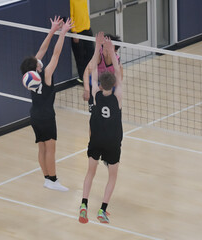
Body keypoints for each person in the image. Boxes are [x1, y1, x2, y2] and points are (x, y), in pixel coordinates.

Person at [20, 16, 73, 192]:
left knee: (42, 147)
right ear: (37, 68)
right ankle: (53, 180)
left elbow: (42, 51)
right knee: (50, 149)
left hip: (34, 114)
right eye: (38, 63)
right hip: (47, 116)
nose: (40, 61)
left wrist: (52, 30)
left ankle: (46, 178)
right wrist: (62, 33)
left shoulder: (29, 76)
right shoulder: (46, 74)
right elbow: (56, 53)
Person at [79, 32, 123, 224]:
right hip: (112, 142)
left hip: (95, 139)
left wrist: (98, 46)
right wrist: (110, 50)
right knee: (112, 176)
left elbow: (92, 73)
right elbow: (119, 74)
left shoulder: (96, 94)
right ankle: (102, 210)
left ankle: (83, 205)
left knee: (90, 172)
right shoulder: (118, 97)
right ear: (114, 84)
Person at [83, 34, 123, 112]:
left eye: (109, 48)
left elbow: (119, 81)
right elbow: (86, 72)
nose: (105, 51)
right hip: (95, 81)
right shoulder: (99, 56)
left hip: (109, 84)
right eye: (104, 48)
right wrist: (87, 90)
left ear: (115, 51)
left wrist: (105, 86)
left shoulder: (117, 63)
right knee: (94, 110)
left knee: (111, 110)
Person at [70, 0, 94, 82]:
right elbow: (71, 16)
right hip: (77, 33)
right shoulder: (71, 1)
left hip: (87, 29)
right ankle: (82, 78)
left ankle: (89, 75)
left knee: (91, 53)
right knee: (80, 57)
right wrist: (74, 32)